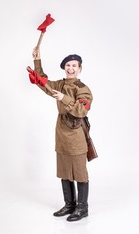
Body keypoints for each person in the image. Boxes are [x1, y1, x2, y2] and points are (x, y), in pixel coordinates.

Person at [27, 48, 93, 222]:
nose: (70, 68)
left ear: (80, 68)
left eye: (74, 65)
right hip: (61, 133)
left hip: (76, 133)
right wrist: (37, 60)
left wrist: (64, 98)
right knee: (64, 171)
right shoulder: (61, 84)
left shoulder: (83, 89)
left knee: (79, 172)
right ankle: (69, 204)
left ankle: (82, 208)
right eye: (68, 65)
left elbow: (81, 110)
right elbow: (43, 82)